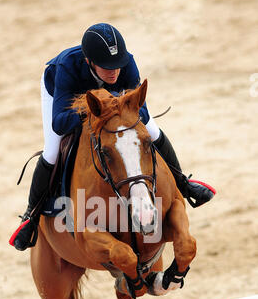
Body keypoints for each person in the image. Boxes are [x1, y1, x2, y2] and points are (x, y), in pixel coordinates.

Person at [11, 23, 215, 251]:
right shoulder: (67, 67)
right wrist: (94, 110)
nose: (114, 72)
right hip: (61, 94)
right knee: (51, 151)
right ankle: (31, 215)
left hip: (110, 107)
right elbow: (59, 123)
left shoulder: (127, 63)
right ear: (89, 61)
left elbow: (142, 111)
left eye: (117, 65)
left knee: (152, 130)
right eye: (106, 67)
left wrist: (117, 107)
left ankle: (184, 184)